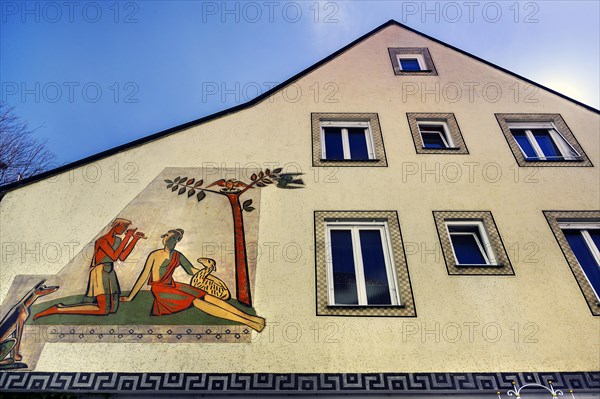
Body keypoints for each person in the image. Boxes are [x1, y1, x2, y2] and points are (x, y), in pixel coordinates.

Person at [120, 229, 265, 332]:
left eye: (172, 238)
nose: (168, 239)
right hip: (161, 290)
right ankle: (248, 322)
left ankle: (250, 317)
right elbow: (144, 276)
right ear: (163, 239)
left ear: (177, 241)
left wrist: (210, 274)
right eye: (166, 236)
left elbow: (192, 271)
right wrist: (130, 297)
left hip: (174, 285)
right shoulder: (155, 255)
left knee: (206, 295)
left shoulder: (178, 255)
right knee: (197, 301)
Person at [34, 218, 145, 319]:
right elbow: (114, 256)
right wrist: (127, 237)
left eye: (126, 227)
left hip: (110, 271)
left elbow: (122, 256)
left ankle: (67, 307)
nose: (125, 229)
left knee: (113, 309)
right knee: (103, 310)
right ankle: (57, 309)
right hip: (100, 271)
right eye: (124, 227)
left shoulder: (118, 241)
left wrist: (134, 239)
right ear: (116, 225)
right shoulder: (102, 240)